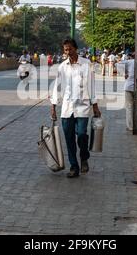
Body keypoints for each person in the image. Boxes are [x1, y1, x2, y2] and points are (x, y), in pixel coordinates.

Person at [50, 39, 101, 178]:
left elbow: (91, 85)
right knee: (69, 138)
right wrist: (53, 106)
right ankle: (74, 166)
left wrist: (95, 105)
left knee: (82, 134)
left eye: (70, 49)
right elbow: (57, 87)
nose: (68, 52)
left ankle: (84, 156)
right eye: (65, 50)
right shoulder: (62, 67)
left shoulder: (86, 64)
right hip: (67, 108)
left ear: (75, 49)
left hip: (82, 106)